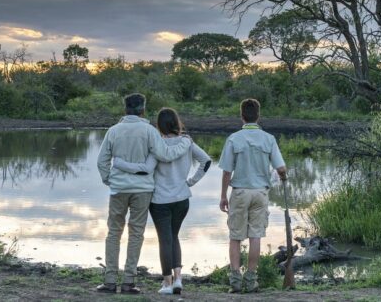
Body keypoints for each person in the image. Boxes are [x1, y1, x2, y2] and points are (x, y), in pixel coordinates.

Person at [96, 93, 191, 294]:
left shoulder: (113, 131)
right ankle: (128, 282)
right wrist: (185, 143)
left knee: (114, 232)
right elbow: (165, 155)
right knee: (136, 233)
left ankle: (110, 281)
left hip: (118, 189)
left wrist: (109, 180)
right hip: (143, 190)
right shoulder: (149, 131)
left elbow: (102, 161)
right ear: (143, 110)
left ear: (125, 109)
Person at [112, 107, 211, 295]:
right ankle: (178, 279)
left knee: (164, 240)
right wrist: (190, 182)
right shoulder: (186, 142)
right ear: (176, 123)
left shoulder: (156, 144)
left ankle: (167, 283)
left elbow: (145, 169)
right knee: (174, 237)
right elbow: (206, 161)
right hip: (182, 198)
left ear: (159, 125)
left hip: (160, 200)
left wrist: (120, 164)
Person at [218, 98, 287, 293]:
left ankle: (235, 282)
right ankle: (251, 281)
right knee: (255, 236)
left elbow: (226, 172)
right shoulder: (269, 139)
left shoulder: (234, 138)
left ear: (241, 116)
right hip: (260, 193)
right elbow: (281, 167)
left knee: (235, 237)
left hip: (240, 192)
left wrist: (223, 195)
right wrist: (283, 176)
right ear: (258, 116)